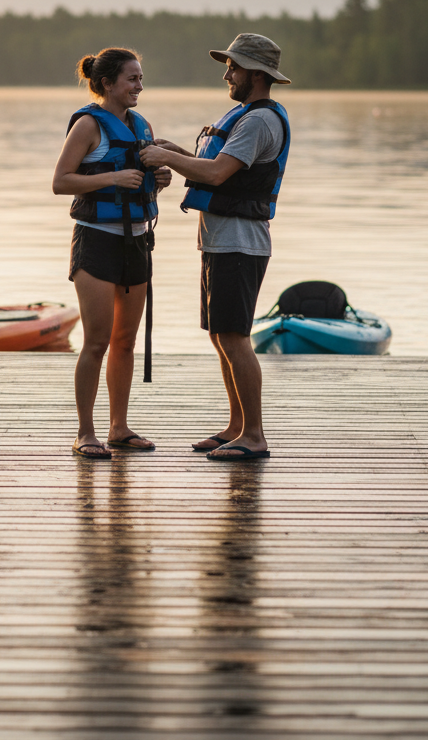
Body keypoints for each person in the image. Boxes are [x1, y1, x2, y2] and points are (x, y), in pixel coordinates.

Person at [140, 33, 291, 461]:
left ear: (257, 75)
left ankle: (255, 435)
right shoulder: (245, 115)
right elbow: (213, 167)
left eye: (235, 67)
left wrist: (165, 159)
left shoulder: (260, 120)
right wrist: (176, 151)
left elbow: (220, 173)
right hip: (221, 243)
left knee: (236, 338)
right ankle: (235, 426)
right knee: (221, 337)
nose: (227, 73)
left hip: (241, 245)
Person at [52, 48, 172, 459]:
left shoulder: (142, 125)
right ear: (107, 84)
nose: (139, 86)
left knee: (125, 341)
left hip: (137, 240)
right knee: (96, 341)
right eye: (132, 79)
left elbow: (144, 182)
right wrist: (115, 175)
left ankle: (118, 428)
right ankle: (85, 432)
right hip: (96, 241)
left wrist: (160, 179)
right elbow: (61, 181)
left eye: (141, 78)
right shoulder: (88, 125)